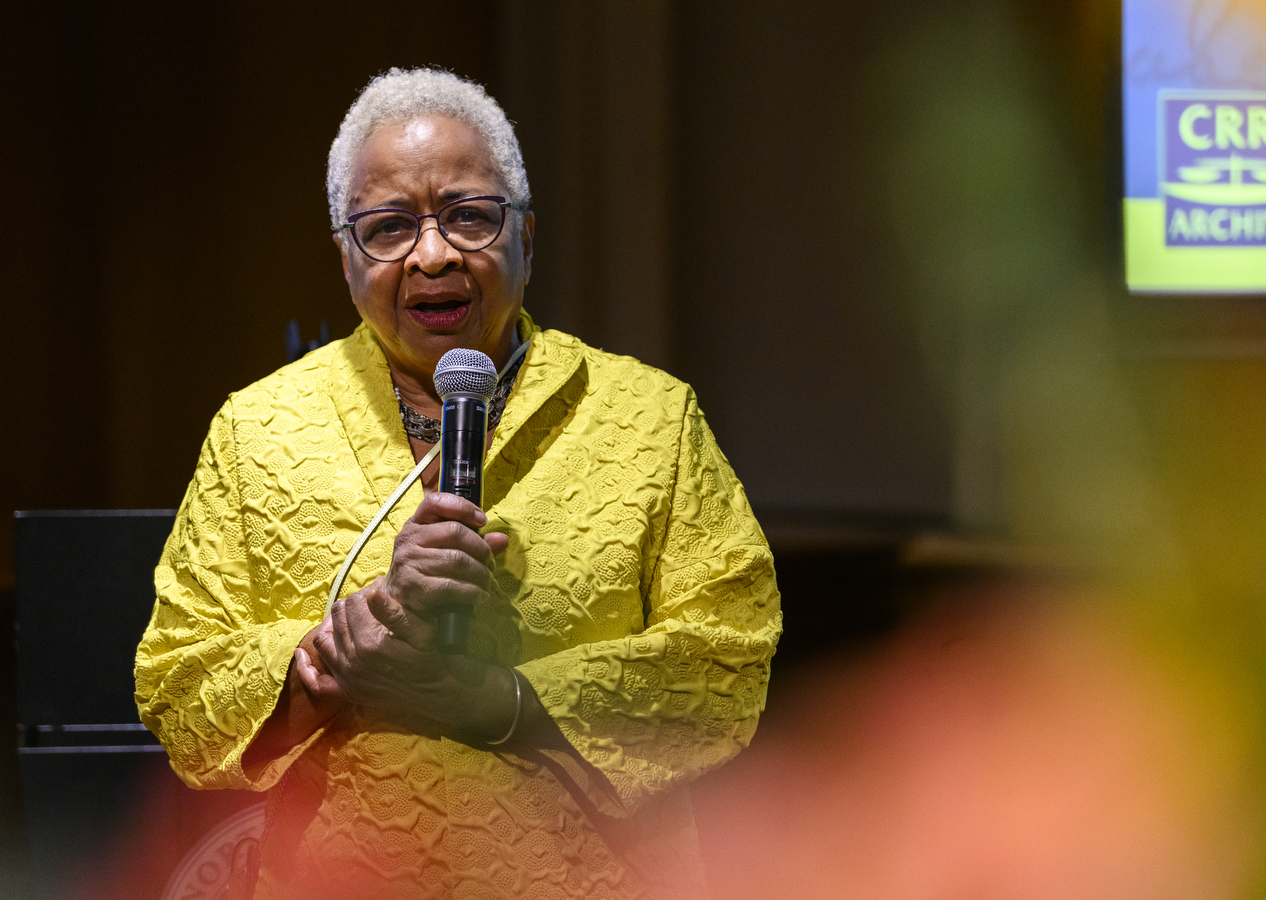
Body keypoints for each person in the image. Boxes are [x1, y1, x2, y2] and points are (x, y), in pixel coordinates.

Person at [134, 67, 781, 900]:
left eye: (469, 216)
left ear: (528, 238)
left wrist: (504, 702)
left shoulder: (651, 418)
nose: (432, 253)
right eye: (389, 227)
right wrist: (332, 660)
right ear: (344, 256)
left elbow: (728, 666)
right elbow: (178, 686)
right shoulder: (259, 428)